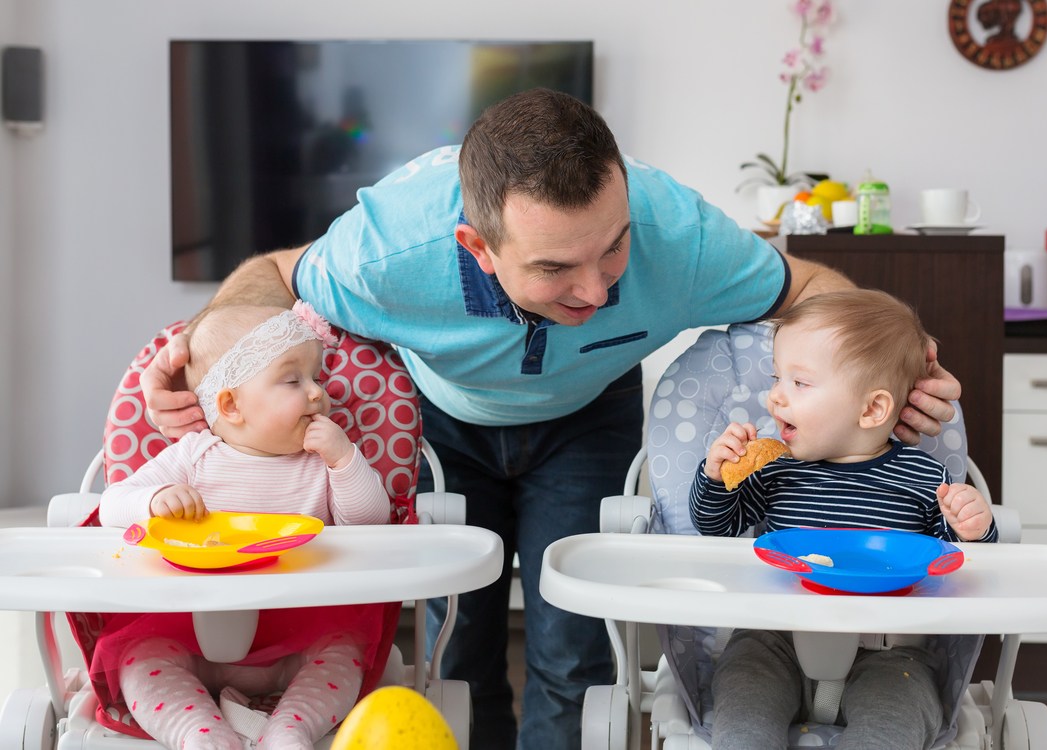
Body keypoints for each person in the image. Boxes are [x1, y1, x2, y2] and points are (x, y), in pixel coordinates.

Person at [139, 88, 963, 750]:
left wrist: (901, 361)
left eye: (612, 248)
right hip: (445, 420)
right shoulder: (386, 252)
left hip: (586, 415)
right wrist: (206, 353)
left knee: (571, 645)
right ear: (477, 247)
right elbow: (271, 276)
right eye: (555, 267)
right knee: (459, 643)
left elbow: (814, 290)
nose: (598, 291)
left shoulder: (680, 235)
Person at [689, 289, 997, 750]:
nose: (775, 398)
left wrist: (973, 529)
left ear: (872, 409)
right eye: (778, 378)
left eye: (800, 383)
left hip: (889, 652)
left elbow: (960, 565)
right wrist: (715, 475)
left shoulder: (923, 477)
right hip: (774, 640)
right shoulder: (775, 468)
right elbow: (715, 526)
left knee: (894, 722)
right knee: (743, 711)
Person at [100, 301, 391, 750]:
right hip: (188, 632)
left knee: (343, 652)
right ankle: (202, 736)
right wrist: (153, 501)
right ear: (231, 405)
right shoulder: (193, 457)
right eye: (293, 380)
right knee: (140, 659)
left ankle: (289, 732)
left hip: (302, 629)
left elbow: (371, 523)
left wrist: (345, 460)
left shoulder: (321, 462)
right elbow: (111, 506)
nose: (316, 393)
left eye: (317, 378)